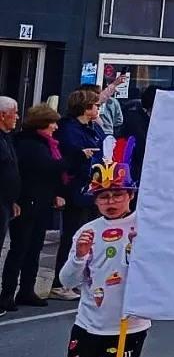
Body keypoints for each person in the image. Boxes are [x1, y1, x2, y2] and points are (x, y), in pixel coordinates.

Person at [20, 139, 160, 357]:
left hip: (128, 327)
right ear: (95, 200)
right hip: (88, 325)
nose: (111, 202)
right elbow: (67, 281)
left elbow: (161, 273)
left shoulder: (146, 228)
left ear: (130, 195)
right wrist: (80, 256)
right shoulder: (88, 231)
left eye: (117, 194)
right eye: (103, 196)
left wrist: (143, 254)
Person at [0, 105, 67, 313]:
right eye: (52, 123)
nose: (56, 127)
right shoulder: (28, 143)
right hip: (27, 201)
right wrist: (76, 159)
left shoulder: (46, 143)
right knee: (20, 248)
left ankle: (27, 289)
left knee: (35, 247)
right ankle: (7, 293)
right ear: (42, 123)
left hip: (41, 201)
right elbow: (46, 167)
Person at [50, 90, 106, 300]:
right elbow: (67, 156)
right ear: (85, 108)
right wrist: (82, 155)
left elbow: (103, 144)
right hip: (76, 187)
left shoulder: (93, 127)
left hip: (94, 186)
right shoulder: (69, 129)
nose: (98, 109)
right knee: (73, 234)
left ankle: (83, 279)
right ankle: (61, 283)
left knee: (92, 233)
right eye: (95, 105)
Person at [0, 96, 20, 272]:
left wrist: (12, 200)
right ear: (2, 115)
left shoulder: (7, 138)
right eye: (15, 113)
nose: (17, 117)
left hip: (6, 201)